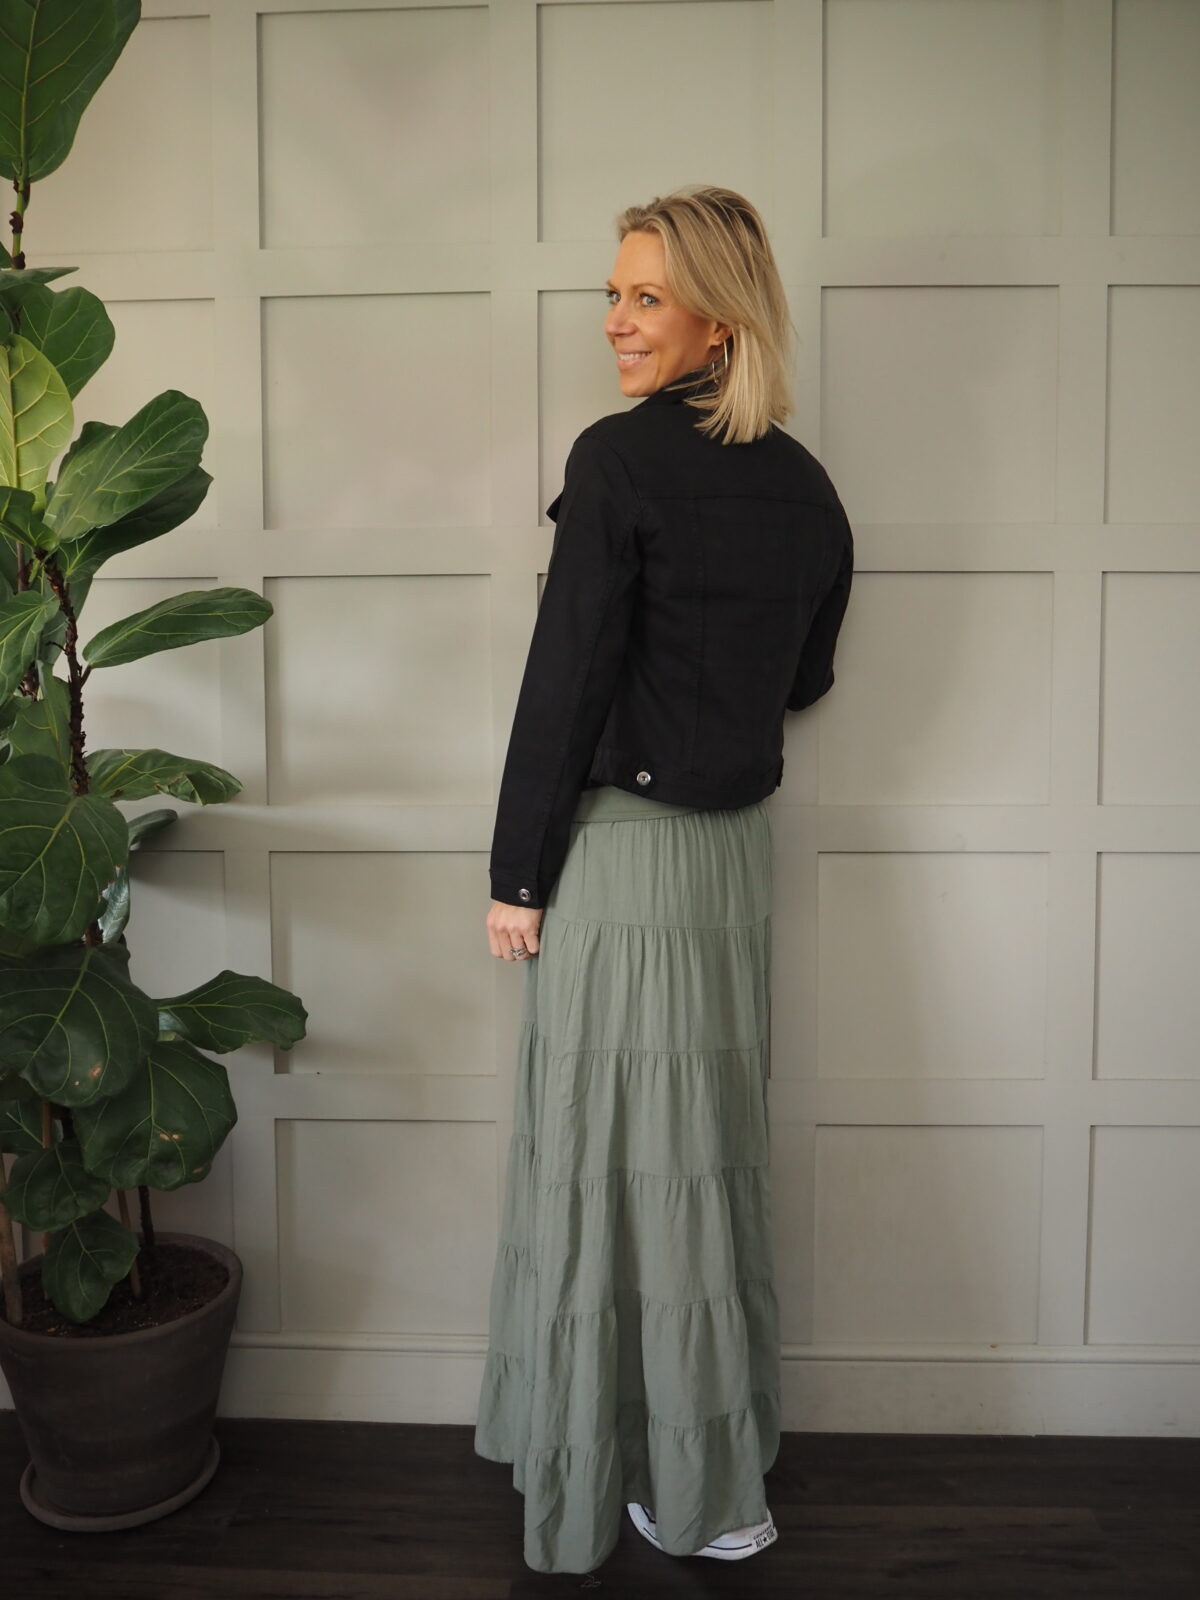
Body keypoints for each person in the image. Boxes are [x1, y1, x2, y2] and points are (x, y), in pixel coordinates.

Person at [474, 185, 854, 1575]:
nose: (617, 322)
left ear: (719, 320)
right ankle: (704, 1475)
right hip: (731, 866)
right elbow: (806, 676)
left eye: (645, 297)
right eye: (614, 295)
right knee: (699, 1163)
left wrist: (517, 875)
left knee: (610, 1165)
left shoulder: (617, 463)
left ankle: (648, 1484)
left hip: (623, 864)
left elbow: (563, 682)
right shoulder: (806, 484)